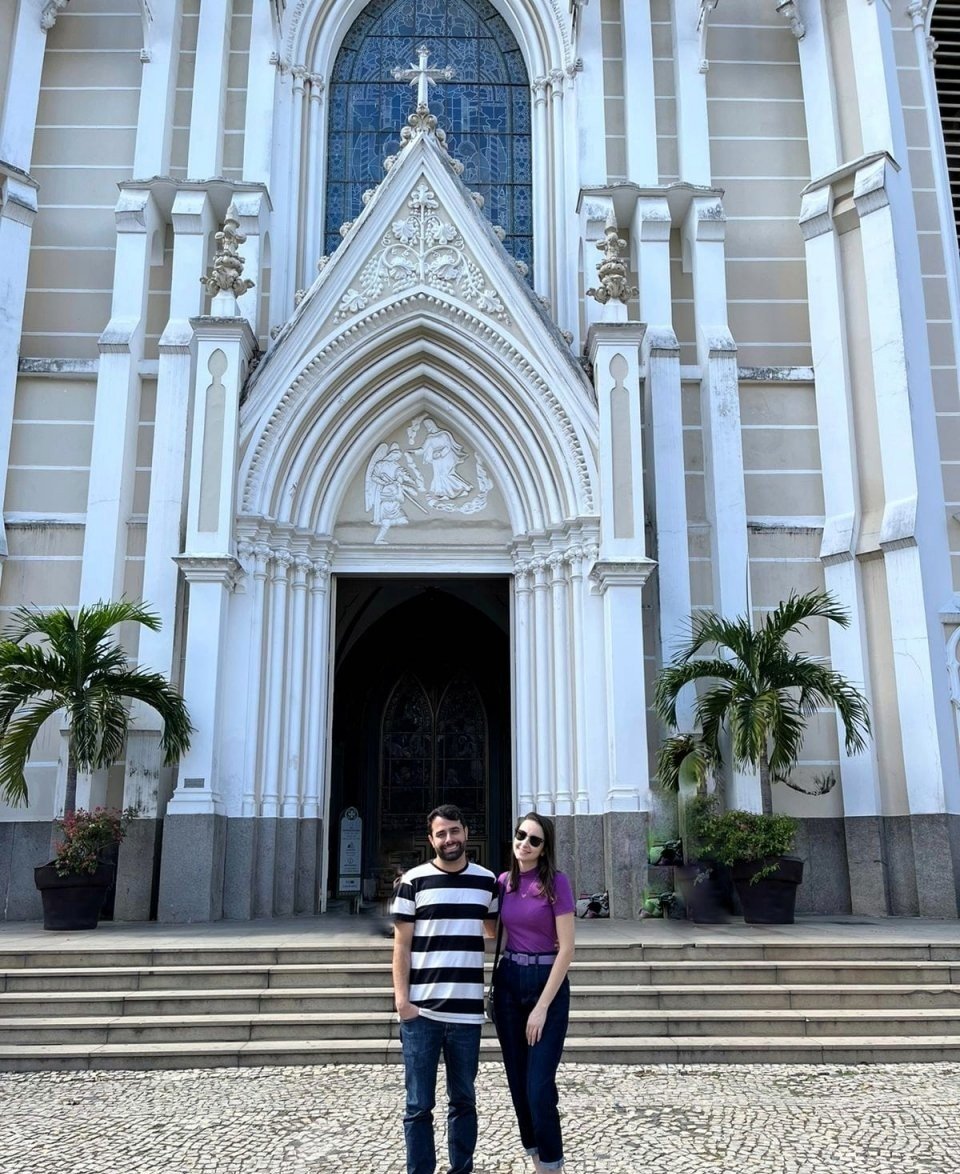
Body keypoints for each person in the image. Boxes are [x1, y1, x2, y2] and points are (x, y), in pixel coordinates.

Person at [392, 805, 499, 1174]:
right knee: (418, 1105)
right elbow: (401, 945)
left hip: (467, 1014)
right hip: (422, 1012)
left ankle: (461, 1169)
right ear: (431, 839)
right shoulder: (413, 881)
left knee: (464, 1100)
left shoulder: (487, 882)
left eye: (454, 831)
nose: (449, 839)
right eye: (441, 833)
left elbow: (495, 931)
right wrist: (403, 1002)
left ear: (466, 832)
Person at [492, 812, 575, 1173]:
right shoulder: (504, 882)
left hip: (546, 984)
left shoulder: (557, 883)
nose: (524, 843)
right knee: (517, 1082)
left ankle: (553, 1164)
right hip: (509, 983)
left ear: (544, 848)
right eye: (521, 835)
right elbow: (499, 934)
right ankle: (538, 1161)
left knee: (539, 1087)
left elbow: (567, 949)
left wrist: (541, 1007)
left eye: (534, 840)